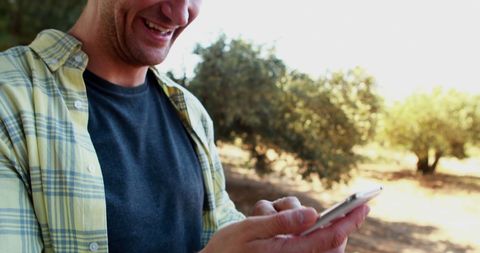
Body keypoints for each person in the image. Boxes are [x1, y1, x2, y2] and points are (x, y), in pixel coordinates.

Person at [0, 0, 370, 252]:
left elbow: (218, 233)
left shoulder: (191, 113)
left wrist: (269, 237)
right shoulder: (9, 99)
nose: (178, 11)